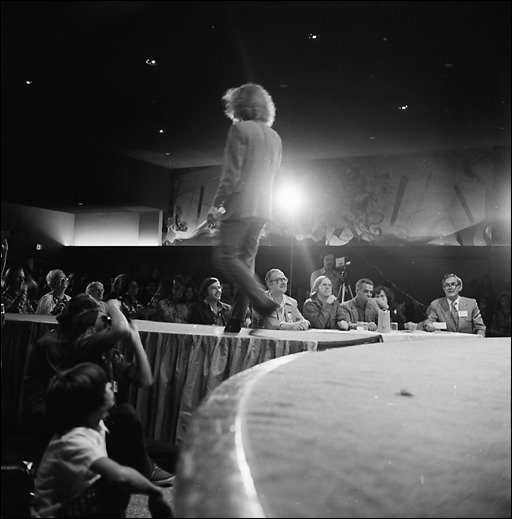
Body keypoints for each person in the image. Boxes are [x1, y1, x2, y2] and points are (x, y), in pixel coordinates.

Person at [31, 362, 173, 518]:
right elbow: (120, 475)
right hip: (56, 513)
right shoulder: (72, 440)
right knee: (114, 483)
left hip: (75, 499)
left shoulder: (96, 425)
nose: (110, 386)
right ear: (90, 400)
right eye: (105, 385)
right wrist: (155, 492)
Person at [207, 83, 282, 333]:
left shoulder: (239, 130)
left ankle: (263, 302)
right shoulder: (275, 137)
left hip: (240, 206)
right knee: (245, 266)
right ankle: (236, 319)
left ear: (238, 106)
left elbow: (231, 175)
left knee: (226, 258)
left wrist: (216, 206)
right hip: (263, 209)